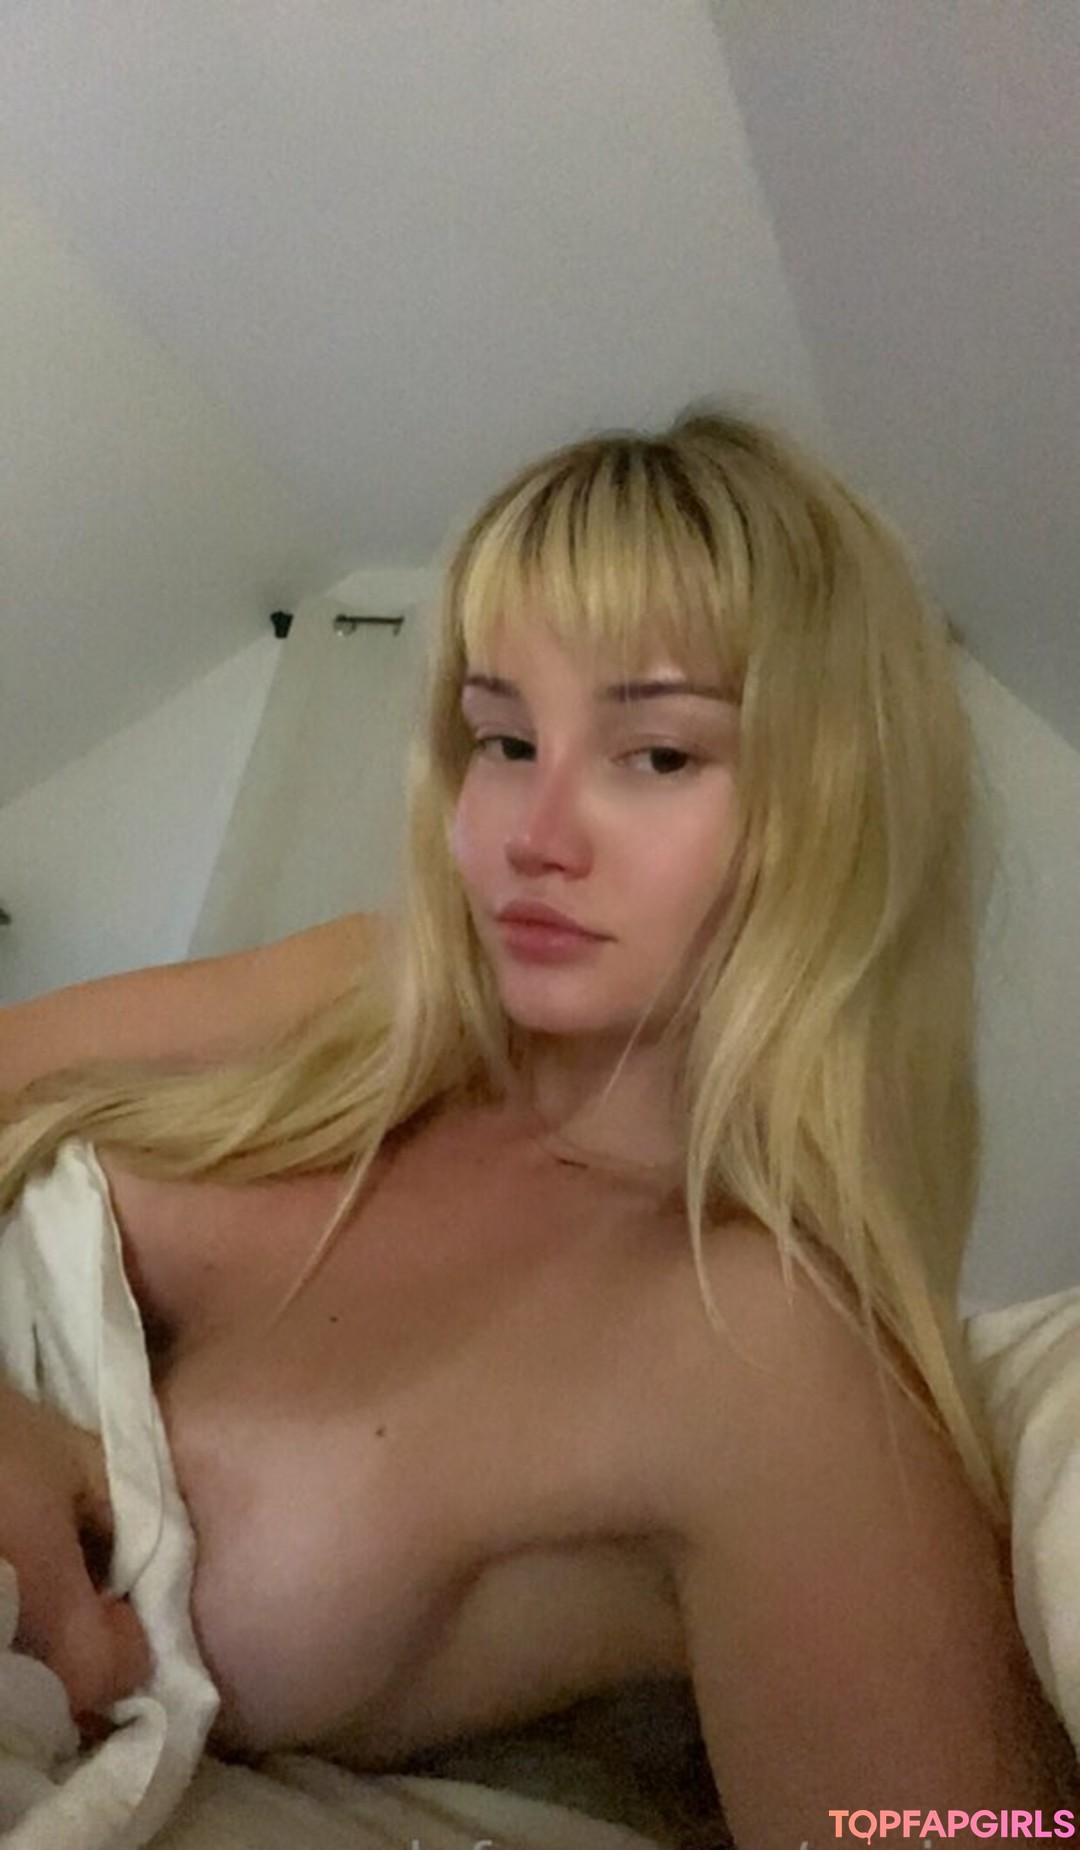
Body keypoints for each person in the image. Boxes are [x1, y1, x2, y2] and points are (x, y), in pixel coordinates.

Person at [0, 409, 1075, 1847]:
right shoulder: (363, 991)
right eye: (503, 737)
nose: (533, 832)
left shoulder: (765, 1355)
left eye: (658, 755)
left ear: (838, 805)